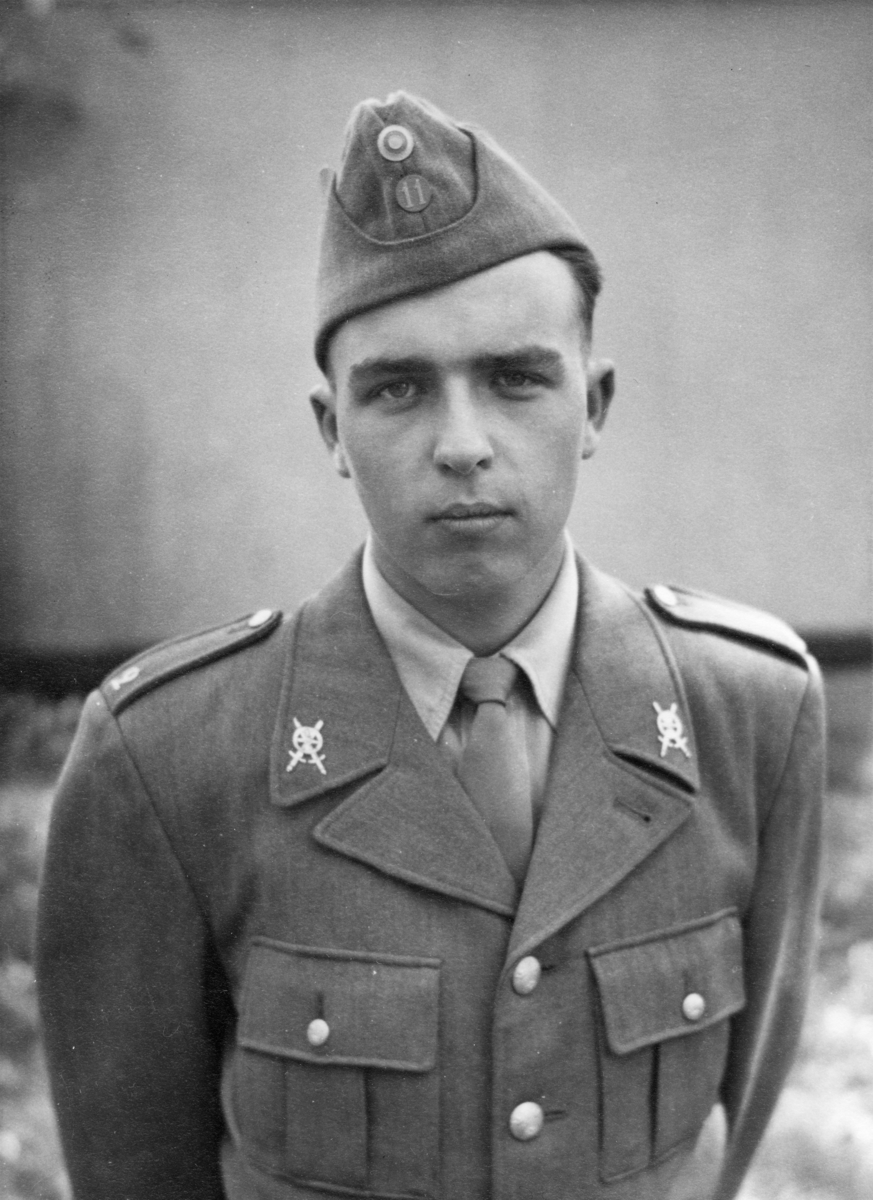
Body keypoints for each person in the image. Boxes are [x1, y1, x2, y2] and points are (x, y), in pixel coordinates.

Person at [36, 92, 824, 1200]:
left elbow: (725, 1123)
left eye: (515, 378)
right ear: (333, 430)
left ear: (594, 407)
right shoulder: (170, 757)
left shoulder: (749, 712)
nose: (462, 445)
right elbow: (135, 1164)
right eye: (399, 388)